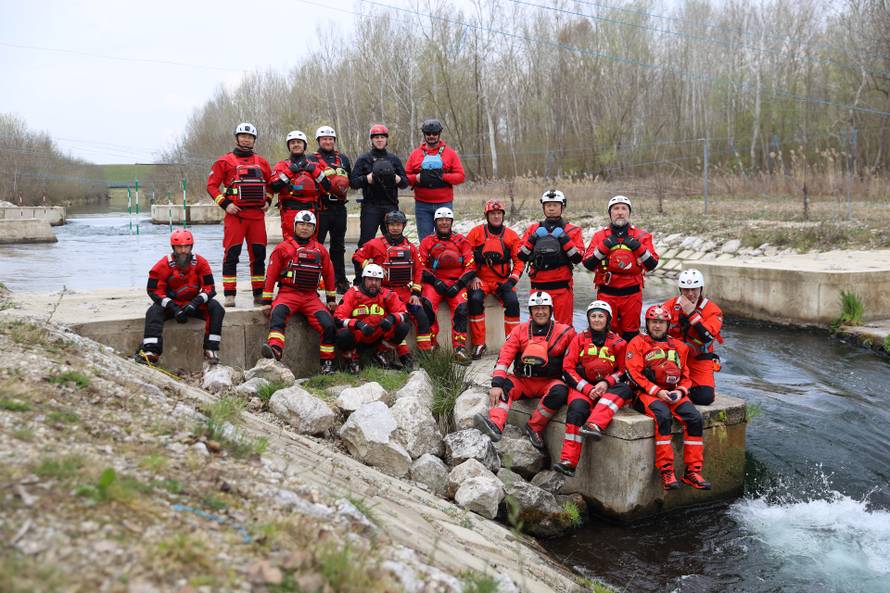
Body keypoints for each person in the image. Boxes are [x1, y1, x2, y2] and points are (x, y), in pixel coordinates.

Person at [475, 291, 575, 451]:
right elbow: (504, 359)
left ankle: (534, 427)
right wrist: (496, 384)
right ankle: (496, 424)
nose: (540, 312)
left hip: (549, 383)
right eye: (536, 308)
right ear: (530, 311)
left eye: (544, 308)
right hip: (522, 381)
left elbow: (575, 360)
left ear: (551, 310)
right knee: (504, 387)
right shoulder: (519, 331)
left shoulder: (566, 332)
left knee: (560, 392)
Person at [625, 304, 711, 491]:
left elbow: (686, 377)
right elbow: (633, 374)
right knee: (662, 416)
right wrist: (657, 391)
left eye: (661, 322)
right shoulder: (637, 343)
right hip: (646, 394)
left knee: (694, 419)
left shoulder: (679, 347)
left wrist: (680, 391)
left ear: (668, 324)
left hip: (673, 392)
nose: (657, 326)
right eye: (653, 322)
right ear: (647, 323)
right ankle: (666, 471)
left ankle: (692, 472)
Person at [553, 300, 631, 476]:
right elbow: (567, 369)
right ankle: (569, 461)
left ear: (608, 319)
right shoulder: (578, 339)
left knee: (625, 390)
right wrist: (588, 388)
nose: (596, 320)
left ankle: (594, 424)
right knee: (576, 409)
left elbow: (624, 370)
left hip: (608, 389)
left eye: (600, 316)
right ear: (588, 319)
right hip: (582, 388)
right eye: (593, 316)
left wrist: (607, 382)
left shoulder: (619, 343)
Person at [260, 210, 337, 374]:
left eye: (309, 225)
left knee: (328, 325)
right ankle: (275, 350)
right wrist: (267, 302)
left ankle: (327, 364)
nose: (305, 228)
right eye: (301, 224)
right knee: (278, 315)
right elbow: (271, 276)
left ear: (314, 228)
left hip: (311, 297)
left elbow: (329, 275)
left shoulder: (321, 250)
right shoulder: (282, 248)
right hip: (288, 294)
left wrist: (331, 299)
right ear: (295, 226)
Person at [136, 229, 224, 366]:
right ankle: (151, 352)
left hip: (193, 305)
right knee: (153, 311)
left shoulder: (201, 263)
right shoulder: (162, 265)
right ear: (173, 247)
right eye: (179, 247)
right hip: (171, 306)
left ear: (191, 247)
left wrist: (195, 303)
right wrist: (173, 307)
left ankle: (211, 348)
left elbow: (210, 288)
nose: (183, 251)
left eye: (186, 247)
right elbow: (153, 291)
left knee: (216, 308)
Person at [207, 122, 272, 307]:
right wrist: (225, 204)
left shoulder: (262, 162)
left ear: (254, 140)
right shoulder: (224, 161)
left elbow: (270, 186)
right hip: (235, 216)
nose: (246, 139)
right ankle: (229, 295)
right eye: (243, 136)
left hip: (257, 217)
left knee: (258, 255)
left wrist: (267, 201)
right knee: (231, 255)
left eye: (250, 137)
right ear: (236, 138)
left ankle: (258, 294)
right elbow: (211, 186)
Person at [351, 210, 430, 362]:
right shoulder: (375, 244)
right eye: (392, 224)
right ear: (386, 226)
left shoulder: (411, 248)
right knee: (399, 321)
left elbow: (419, 270)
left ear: (403, 226)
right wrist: (372, 266)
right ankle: (401, 355)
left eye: (398, 224)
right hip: (384, 292)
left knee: (422, 317)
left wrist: (415, 293)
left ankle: (426, 355)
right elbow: (357, 256)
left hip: (405, 291)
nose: (395, 228)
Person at [583, 195, 659, 342]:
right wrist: (605, 246)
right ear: (610, 213)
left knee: (630, 333)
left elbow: (652, 264)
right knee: (605, 332)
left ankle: (630, 363)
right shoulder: (600, 236)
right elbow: (588, 263)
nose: (620, 212)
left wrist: (637, 246)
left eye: (624, 209)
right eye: (616, 209)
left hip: (632, 294)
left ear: (629, 213)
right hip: (606, 292)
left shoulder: (641, 236)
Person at [465, 199, 524, 359]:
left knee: (513, 303)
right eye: (493, 214)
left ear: (503, 215)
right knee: (475, 299)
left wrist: (512, 281)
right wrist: (473, 276)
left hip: (503, 281)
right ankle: (479, 344)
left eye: (499, 213)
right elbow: (466, 257)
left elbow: (519, 262)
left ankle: (513, 343)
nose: (496, 216)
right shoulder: (475, 233)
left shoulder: (511, 236)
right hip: (481, 280)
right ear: (487, 216)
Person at [518, 189, 585, 325]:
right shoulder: (533, 229)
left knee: (564, 327)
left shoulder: (573, 230)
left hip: (562, 287)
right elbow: (521, 255)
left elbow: (577, 258)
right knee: (536, 326)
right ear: (543, 207)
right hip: (538, 286)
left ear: (562, 207)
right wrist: (533, 238)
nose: (551, 208)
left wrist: (564, 239)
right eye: (548, 205)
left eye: (555, 205)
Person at [419, 207, 475, 363]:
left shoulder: (462, 241)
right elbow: (420, 267)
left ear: (451, 222)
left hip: (456, 281)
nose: (444, 223)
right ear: (435, 222)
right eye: (440, 220)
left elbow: (471, 266)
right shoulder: (427, 242)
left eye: (447, 220)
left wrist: (459, 284)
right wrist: (434, 281)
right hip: (435, 282)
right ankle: (431, 344)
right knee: (427, 304)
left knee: (462, 308)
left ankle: (460, 348)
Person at [335, 264, 412, 373]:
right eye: (370, 279)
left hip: (379, 337)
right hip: (358, 337)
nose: (373, 283)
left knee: (403, 327)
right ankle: (351, 360)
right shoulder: (352, 294)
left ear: (381, 281)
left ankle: (380, 354)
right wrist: (358, 324)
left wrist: (392, 318)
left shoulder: (386, 294)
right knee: (343, 335)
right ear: (364, 279)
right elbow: (338, 318)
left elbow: (404, 313)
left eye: (377, 280)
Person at [664, 269, 724, 405]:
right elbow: (655, 331)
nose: (690, 294)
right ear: (680, 289)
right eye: (686, 290)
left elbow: (707, 336)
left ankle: (685, 390)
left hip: (699, 359)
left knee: (705, 398)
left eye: (694, 289)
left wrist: (692, 314)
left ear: (701, 289)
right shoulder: (670, 306)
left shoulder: (713, 310)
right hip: (673, 358)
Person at [404, 118, 465, 239]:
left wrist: (443, 177)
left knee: (444, 239)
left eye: (435, 133)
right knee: (425, 239)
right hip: (422, 205)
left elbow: (461, 176)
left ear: (439, 134)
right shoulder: (415, 154)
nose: (431, 136)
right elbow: (404, 178)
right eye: (428, 133)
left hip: (444, 203)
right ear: (424, 134)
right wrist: (417, 178)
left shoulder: (450, 153)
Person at [350, 124, 409, 247]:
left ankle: (393, 265)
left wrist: (396, 178)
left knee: (394, 241)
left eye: (382, 137)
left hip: (390, 206)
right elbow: (353, 183)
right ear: (372, 140)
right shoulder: (364, 159)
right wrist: (367, 179)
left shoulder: (394, 159)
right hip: (370, 207)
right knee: (366, 242)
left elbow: (405, 183)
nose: (379, 140)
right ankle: (363, 266)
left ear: (386, 139)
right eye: (376, 137)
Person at [269, 130, 333, 241]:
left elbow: (328, 187)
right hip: (289, 211)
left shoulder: (315, 165)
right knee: (290, 245)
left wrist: (314, 170)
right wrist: (290, 171)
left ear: (304, 145)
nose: (296, 145)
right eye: (292, 142)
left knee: (311, 246)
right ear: (289, 146)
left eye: (299, 142)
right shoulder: (282, 165)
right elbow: (274, 186)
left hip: (311, 211)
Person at [310, 125, 352, 294]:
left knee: (338, 246)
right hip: (321, 208)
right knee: (316, 246)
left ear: (334, 140)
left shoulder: (343, 158)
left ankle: (340, 281)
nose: (327, 141)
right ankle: (312, 281)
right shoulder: (310, 159)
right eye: (324, 139)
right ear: (319, 141)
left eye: (330, 139)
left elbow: (351, 180)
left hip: (339, 208)